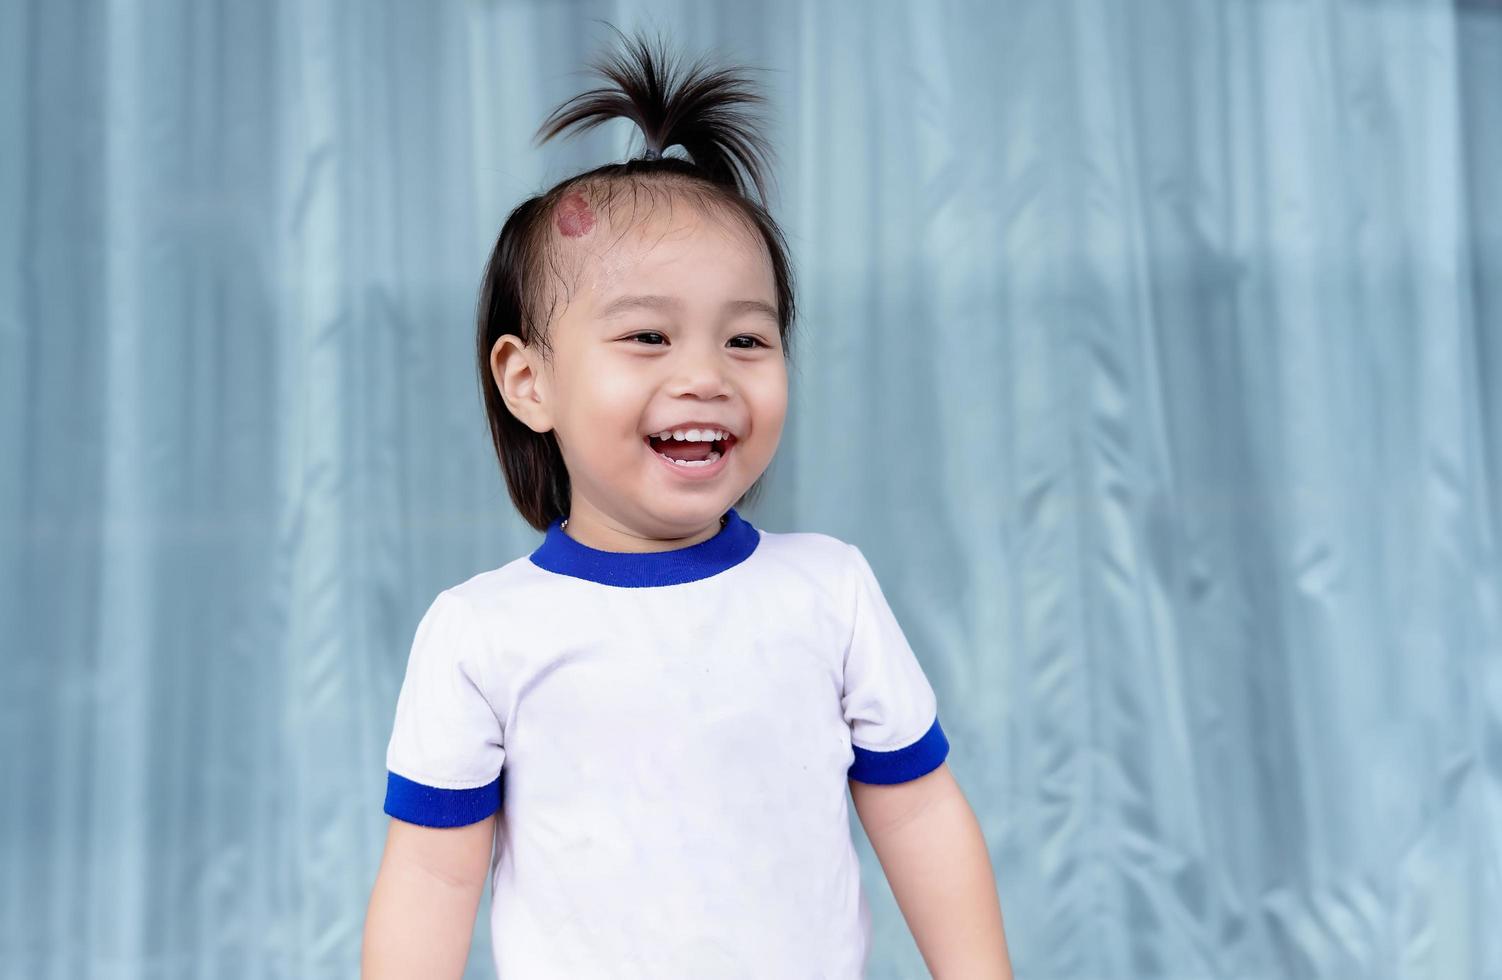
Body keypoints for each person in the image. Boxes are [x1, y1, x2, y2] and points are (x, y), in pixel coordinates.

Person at [362, 24, 1012, 980]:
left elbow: (916, 809)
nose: (707, 375)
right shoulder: (479, 635)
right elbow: (429, 877)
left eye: (746, 341)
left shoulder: (829, 591)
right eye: (648, 338)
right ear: (528, 380)